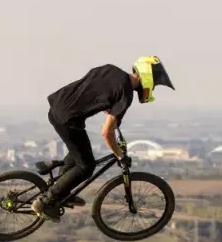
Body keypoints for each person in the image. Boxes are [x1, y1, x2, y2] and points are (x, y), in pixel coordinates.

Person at [31, 56, 175, 220]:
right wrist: (120, 156)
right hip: (68, 120)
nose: (153, 86)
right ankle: (45, 201)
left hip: (57, 108)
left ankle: (64, 192)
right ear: (148, 77)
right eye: (155, 83)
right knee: (86, 166)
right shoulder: (126, 94)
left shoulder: (111, 69)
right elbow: (106, 132)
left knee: (78, 153)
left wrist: (107, 108)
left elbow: (94, 91)